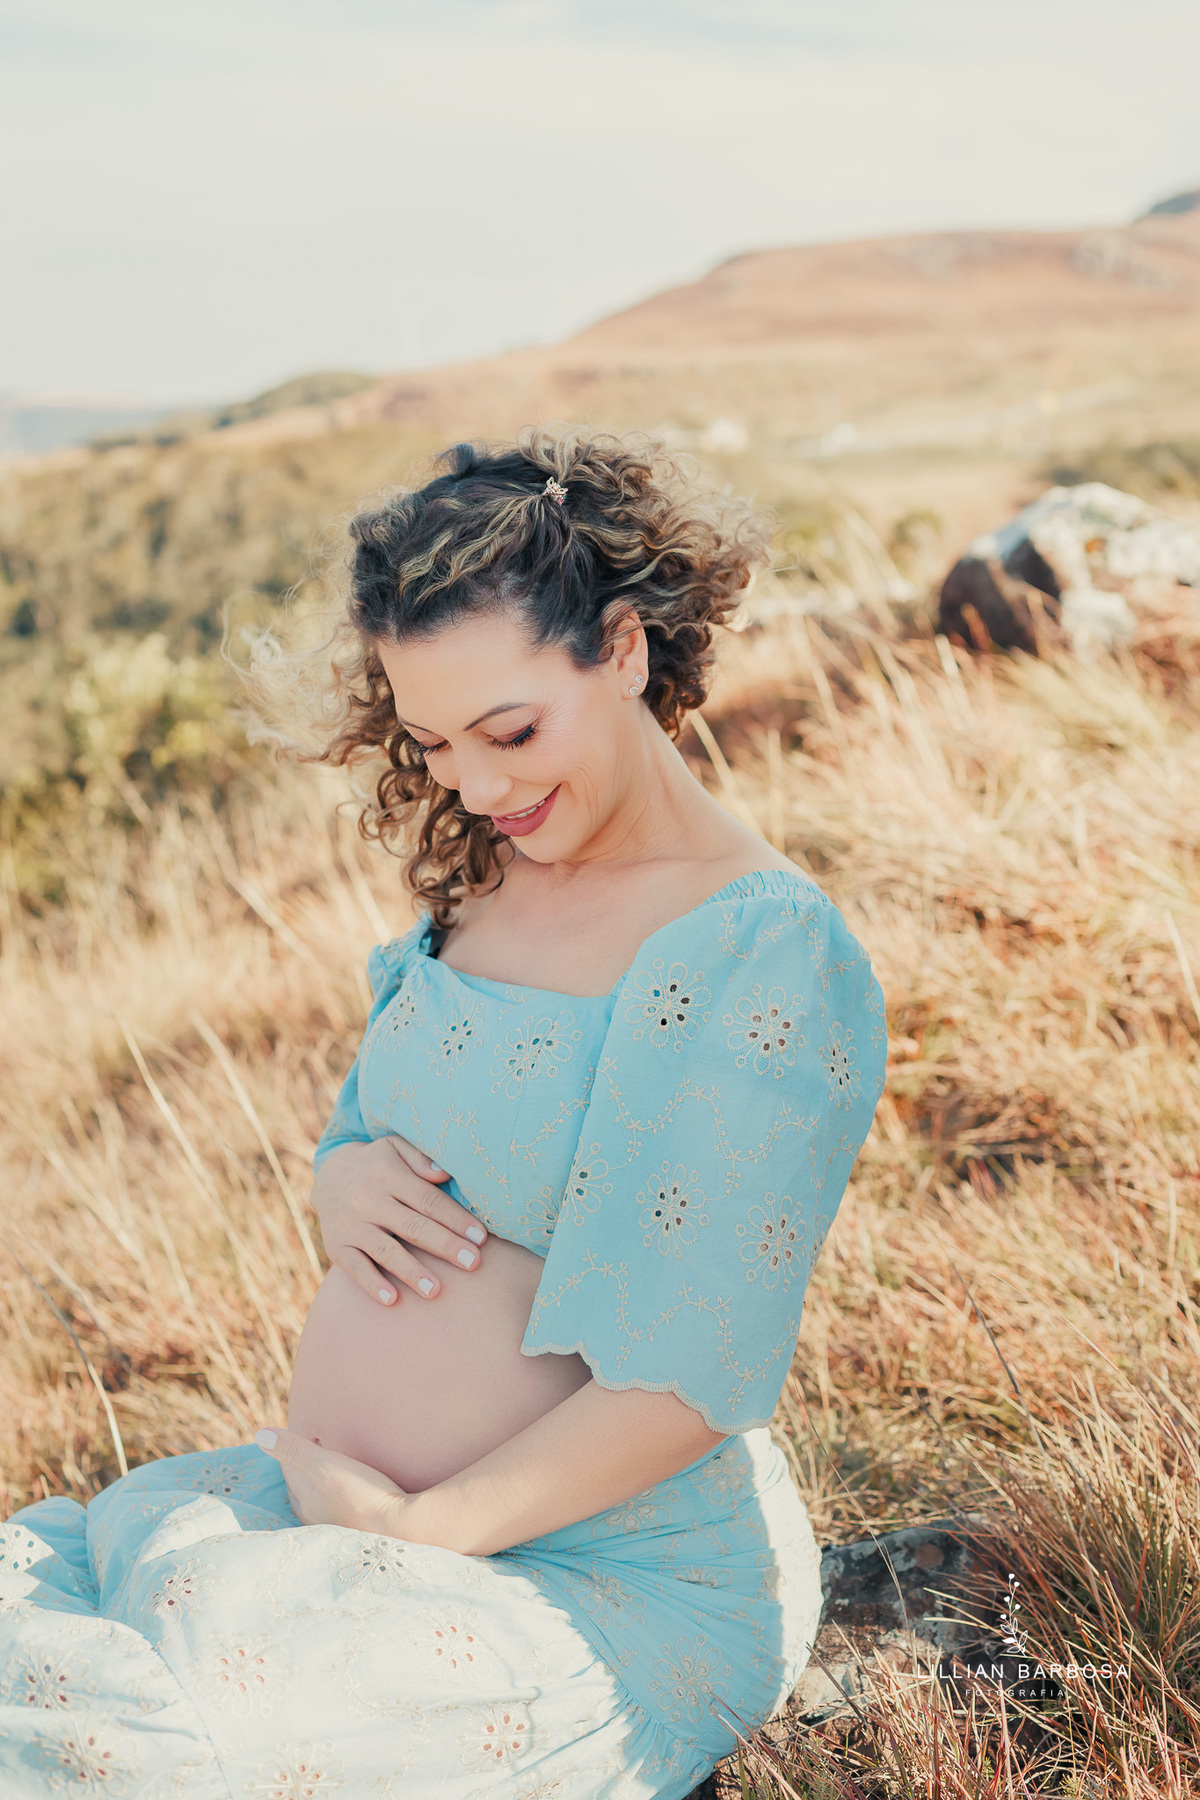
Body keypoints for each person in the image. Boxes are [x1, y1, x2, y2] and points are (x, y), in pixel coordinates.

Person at [0, 430, 885, 1800]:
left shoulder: (755, 949)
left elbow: (689, 1376)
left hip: (588, 1577)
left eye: (511, 731)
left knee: (141, 1754)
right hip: (355, 1507)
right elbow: (380, 1120)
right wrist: (338, 1177)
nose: (475, 788)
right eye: (432, 742)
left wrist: (426, 1526)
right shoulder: (485, 881)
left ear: (629, 649)